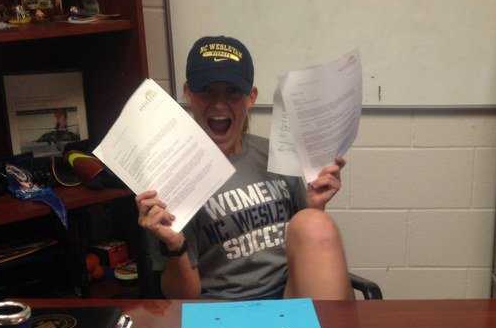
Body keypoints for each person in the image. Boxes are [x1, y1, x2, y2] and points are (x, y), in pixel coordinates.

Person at [136, 36, 353, 301]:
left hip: (289, 299)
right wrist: (175, 247)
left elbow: (305, 249)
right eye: (207, 91)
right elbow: (182, 297)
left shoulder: (276, 156)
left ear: (251, 97)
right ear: (188, 94)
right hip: (221, 311)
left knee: (315, 223)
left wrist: (315, 206)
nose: (219, 104)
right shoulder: (168, 177)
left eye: (232, 92)